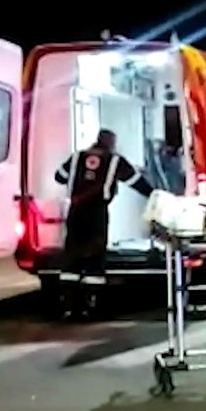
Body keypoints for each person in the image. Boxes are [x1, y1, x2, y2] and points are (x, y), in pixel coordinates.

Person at [53, 129, 153, 318]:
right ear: (111, 143)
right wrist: (155, 195)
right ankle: (90, 305)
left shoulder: (77, 157)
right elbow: (136, 182)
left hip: (75, 211)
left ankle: (68, 305)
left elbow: (59, 176)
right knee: (95, 256)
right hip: (96, 211)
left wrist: (83, 178)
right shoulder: (115, 161)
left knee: (72, 254)